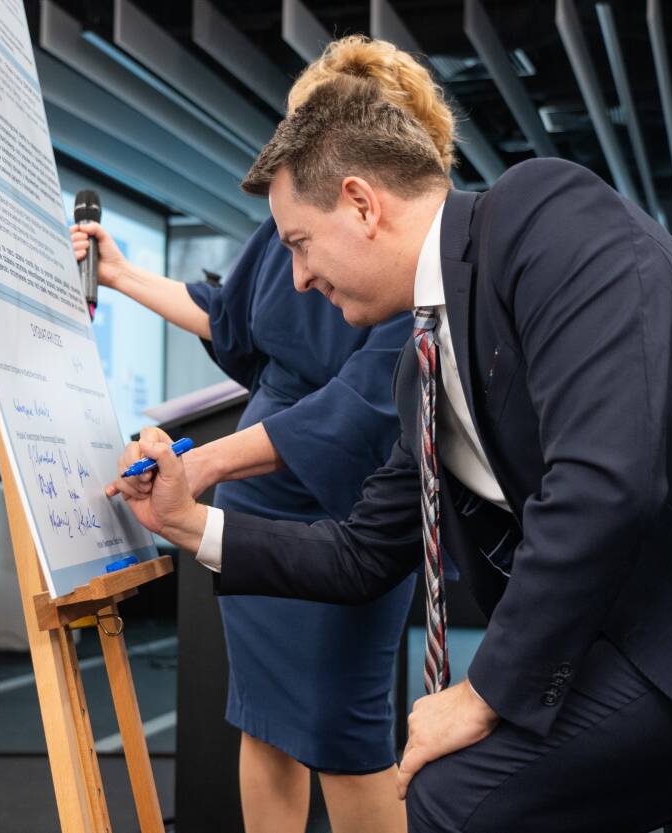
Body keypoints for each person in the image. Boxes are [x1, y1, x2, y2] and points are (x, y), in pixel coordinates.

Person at [107, 75, 672, 832]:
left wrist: (482, 692)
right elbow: (360, 554)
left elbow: (604, 478)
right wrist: (186, 520)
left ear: (362, 204)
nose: (301, 277)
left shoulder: (541, 212)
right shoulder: (420, 370)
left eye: (300, 245)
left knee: (454, 798)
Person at [73, 38, 464, 833]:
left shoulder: (421, 264)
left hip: (347, 515)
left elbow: (357, 410)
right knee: (264, 724)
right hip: (254, 505)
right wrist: (119, 275)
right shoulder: (290, 225)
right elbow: (230, 317)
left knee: (346, 736)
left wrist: (202, 464)